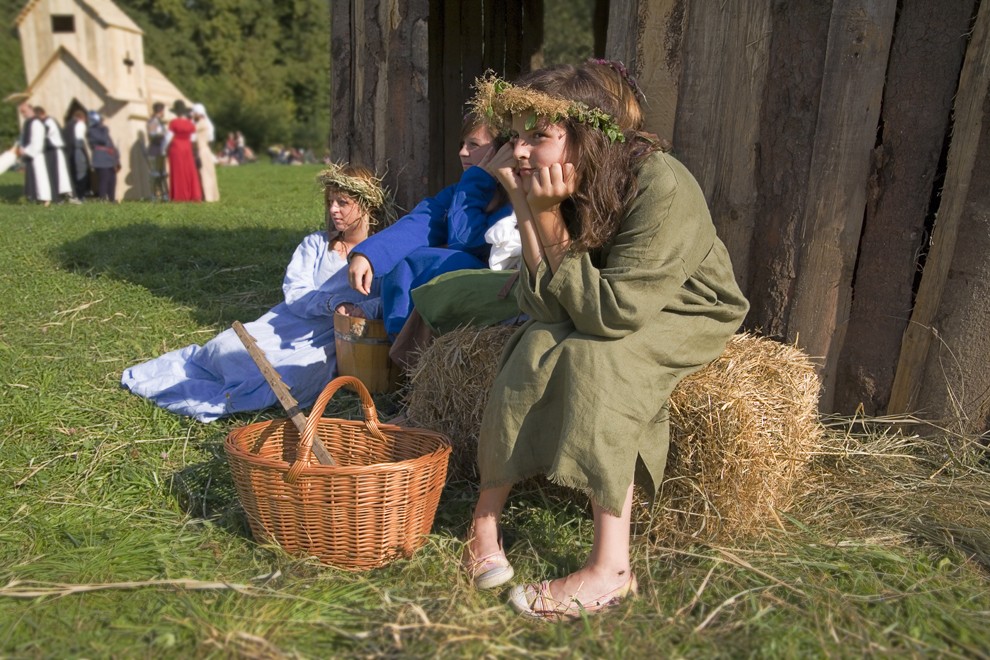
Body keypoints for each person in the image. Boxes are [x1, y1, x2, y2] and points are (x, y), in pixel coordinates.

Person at [461, 61, 750, 619]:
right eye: (515, 136)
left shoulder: (661, 183)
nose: (518, 151)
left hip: (684, 308)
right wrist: (526, 204)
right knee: (537, 343)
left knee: (600, 359)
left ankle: (611, 570)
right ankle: (485, 521)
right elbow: (544, 304)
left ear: (589, 135)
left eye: (537, 136)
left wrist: (545, 213)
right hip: (605, 297)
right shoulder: (568, 177)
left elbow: (612, 317)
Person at [120, 163, 394, 422]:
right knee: (225, 349)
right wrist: (334, 302)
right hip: (289, 324)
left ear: (366, 204)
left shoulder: (383, 254)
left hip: (332, 339)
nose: (334, 210)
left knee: (291, 381)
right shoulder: (316, 244)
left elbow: (388, 298)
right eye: (330, 202)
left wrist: (362, 310)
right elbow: (295, 291)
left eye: (343, 203)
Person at [342, 112, 513, 336]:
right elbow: (421, 222)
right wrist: (368, 255)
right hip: (453, 301)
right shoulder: (457, 192)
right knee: (405, 259)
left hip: (497, 295)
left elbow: (465, 241)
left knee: (452, 260)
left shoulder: (514, 198)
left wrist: (477, 180)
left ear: (500, 151)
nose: (462, 152)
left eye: (474, 144)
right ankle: (404, 350)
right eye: (462, 144)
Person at [35, 106, 79, 204]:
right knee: (55, 174)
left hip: (54, 151)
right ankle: (58, 196)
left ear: (41, 114)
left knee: (56, 174)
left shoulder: (49, 122)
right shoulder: (46, 122)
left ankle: (61, 197)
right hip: (51, 151)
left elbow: (44, 134)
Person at [15, 102, 51, 205]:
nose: (23, 114)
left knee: (40, 177)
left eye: (24, 111)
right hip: (30, 154)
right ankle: (36, 198)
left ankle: (45, 199)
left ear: (31, 109)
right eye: (22, 112)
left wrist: (26, 150)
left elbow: (37, 141)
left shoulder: (36, 123)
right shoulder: (28, 123)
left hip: (37, 155)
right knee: (34, 177)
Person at [166, 100, 202, 202]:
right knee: (188, 171)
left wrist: (164, 148)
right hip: (187, 147)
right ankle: (192, 194)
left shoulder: (173, 123)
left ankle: (179, 195)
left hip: (176, 148)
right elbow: (193, 139)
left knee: (178, 171)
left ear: (176, 112)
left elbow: (168, 138)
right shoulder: (190, 124)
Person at [86, 111, 119, 201]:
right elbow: (103, 140)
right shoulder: (91, 131)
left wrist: (117, 160)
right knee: (104, 181)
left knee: (112, 180)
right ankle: (103, 200)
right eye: (100, 120)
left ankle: (112, 200)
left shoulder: (103, 130)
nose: (102, 122)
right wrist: (104, 129)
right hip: (100, 160)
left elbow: (111, 146)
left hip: (109, 159)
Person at [190, 102, 219, 202]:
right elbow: (210, 139)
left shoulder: (200, 124)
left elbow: (193, 138)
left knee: (204, 173)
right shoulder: (207, 124)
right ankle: (210, 195)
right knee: (208, 172)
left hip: (201, 150)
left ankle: (207, 196)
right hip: (205, 149)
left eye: (194, 113)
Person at [65, 109, 91, 199]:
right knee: (81, 172)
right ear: (82, 118)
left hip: (69, 153)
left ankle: (75, 194)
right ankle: (81, 195)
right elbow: (80, 141)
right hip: (78, 150)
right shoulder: (80, 124)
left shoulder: (68, 125)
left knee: (73, 173)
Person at [147, 102, 170, 201]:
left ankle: (164, 195)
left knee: (162, 174)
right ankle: (154, 195)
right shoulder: (153, 121)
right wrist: (163, 134)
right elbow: (152, 135)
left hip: (161, 150)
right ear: (160, 111)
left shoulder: (159, 121)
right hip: (155, 149)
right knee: (155, 174)